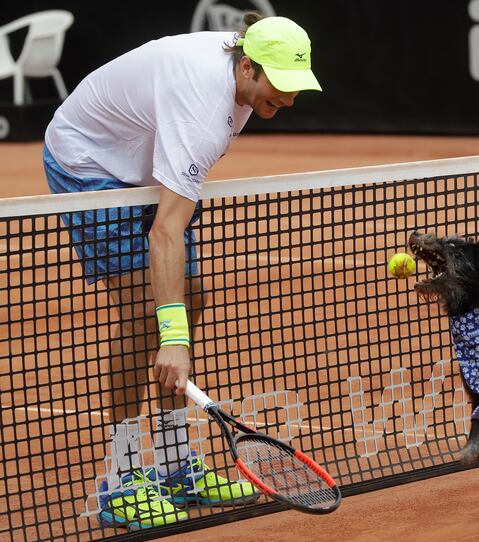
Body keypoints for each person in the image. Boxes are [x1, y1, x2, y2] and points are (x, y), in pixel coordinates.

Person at [43, 13, 322, 530]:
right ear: (247, 68)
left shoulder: (238, 90)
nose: (288, 100)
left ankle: (174, 467)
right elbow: (166, 232)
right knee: (142, 311)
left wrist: (177, 325)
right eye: (280, 86)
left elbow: (173, 209)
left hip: (140, 161)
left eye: (296, 88)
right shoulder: (203, 104)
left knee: (189, 296)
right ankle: (123, 481)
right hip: (89, 160)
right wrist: (173, 340)